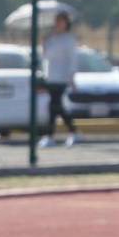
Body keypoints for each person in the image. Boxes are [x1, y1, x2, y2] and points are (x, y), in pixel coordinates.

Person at [37, 10, 80, 148]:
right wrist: (44, 43)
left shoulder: (69, 39)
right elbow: (45, 57)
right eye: (57, 21)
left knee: (54, 106)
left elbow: (72, 60)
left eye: (61, 21)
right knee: (56, 107)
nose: (58, 24)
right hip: (51, 76)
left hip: (62, 77)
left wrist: (72, 77)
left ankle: (51, 135)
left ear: (66, 23)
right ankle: (72, 132)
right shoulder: (52, 38)